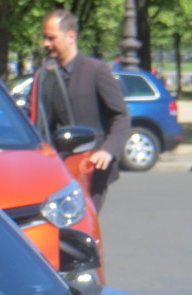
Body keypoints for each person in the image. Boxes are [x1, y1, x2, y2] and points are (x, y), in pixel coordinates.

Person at [39, 9, 130, 212]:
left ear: (70, 36)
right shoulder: (46, 74)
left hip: (91, 168)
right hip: (57, 167)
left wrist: (107, 150)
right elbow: (37, 116)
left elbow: (121, 116)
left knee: (83, 226)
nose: (46, 44)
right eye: (45, 37)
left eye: (51, 38)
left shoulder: (96, 70)